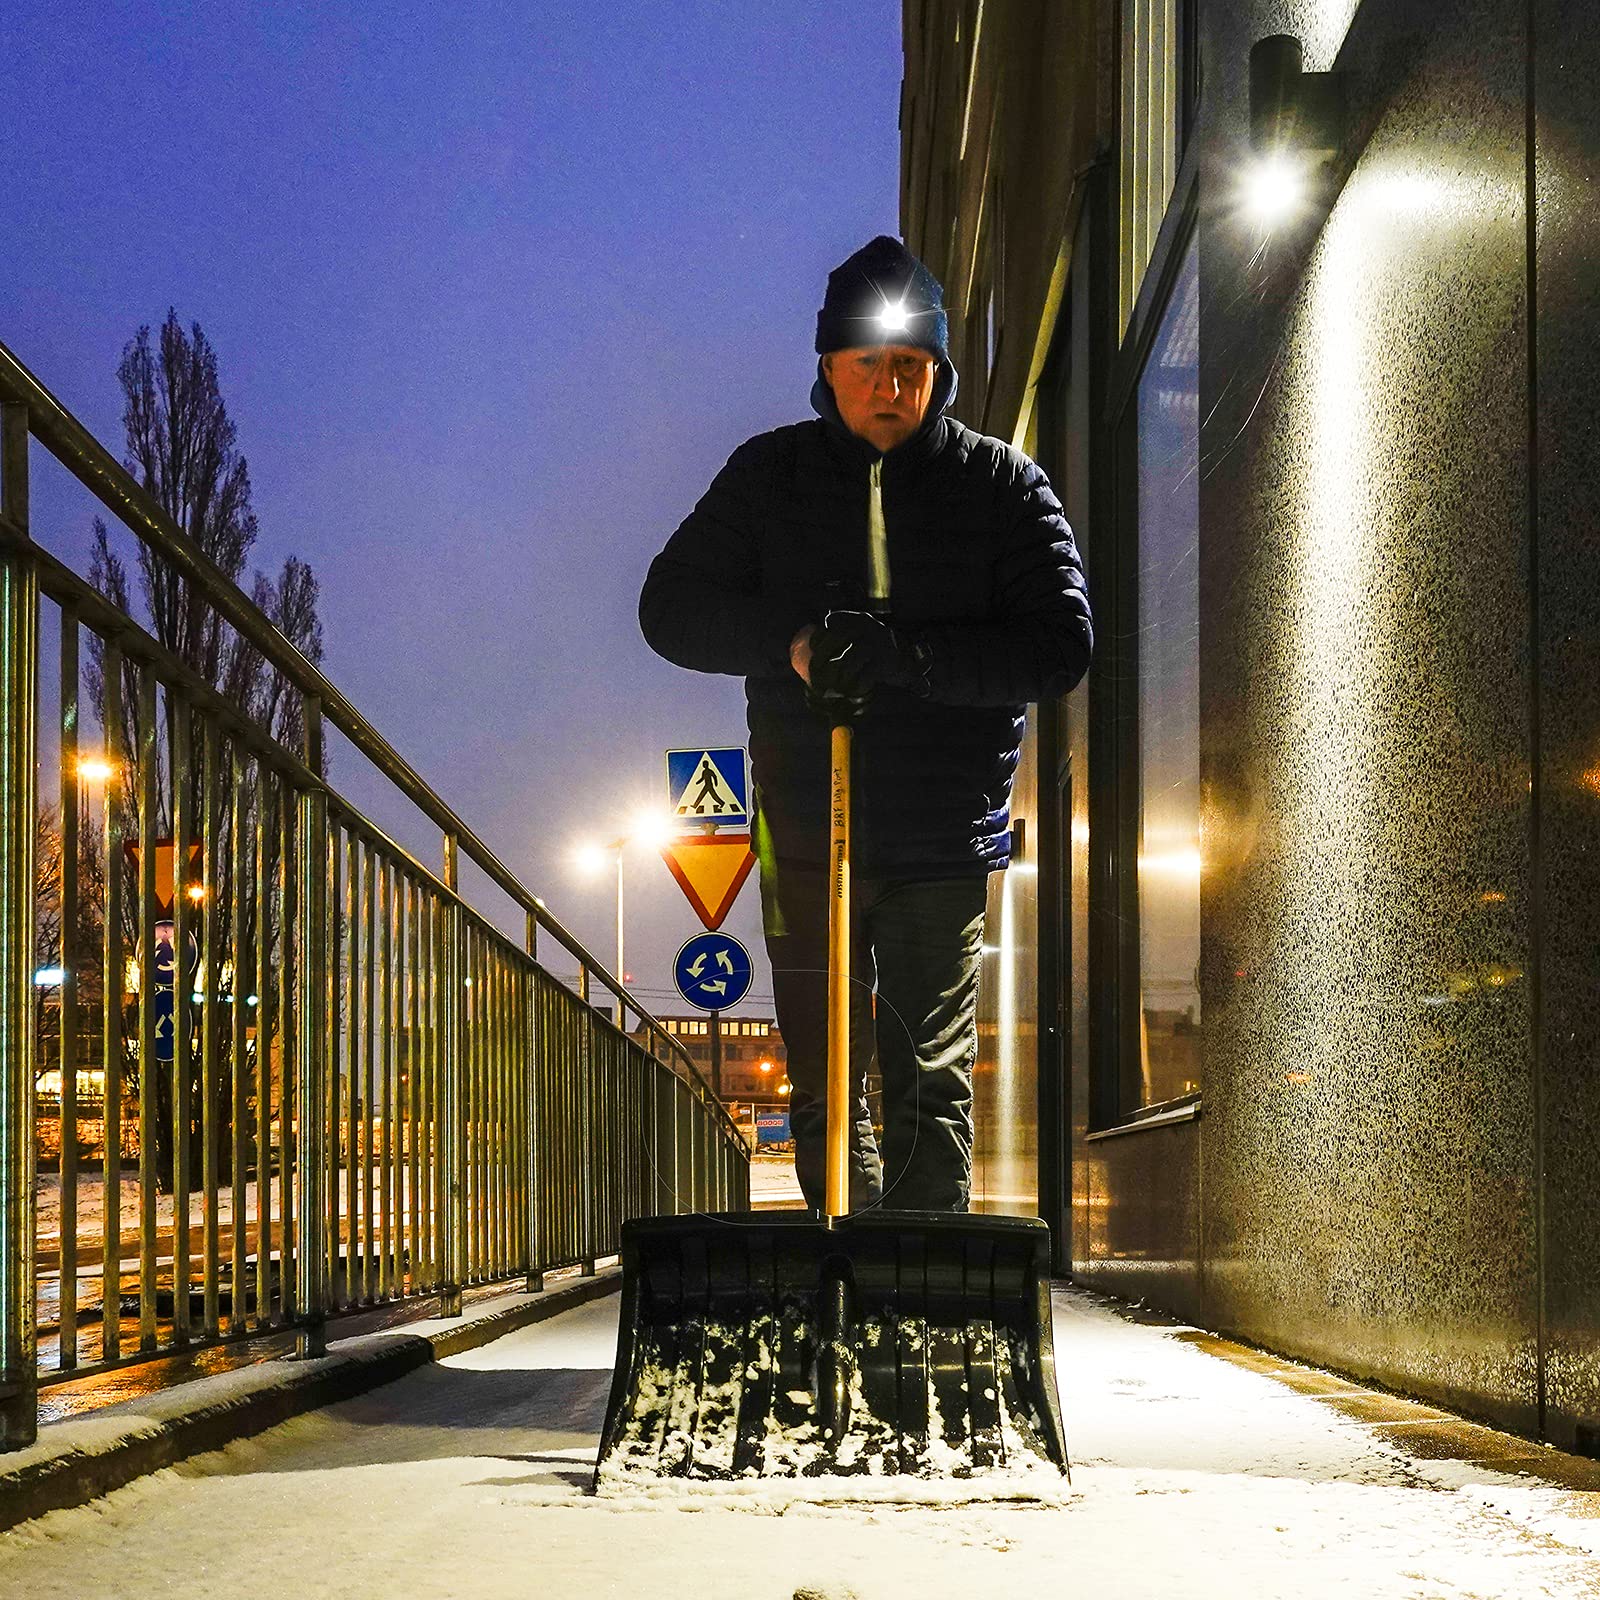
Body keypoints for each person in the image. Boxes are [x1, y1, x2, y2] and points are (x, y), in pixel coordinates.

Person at [639, 235, 1091, 1213]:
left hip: (941, 838)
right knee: (824, 1082)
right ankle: (843, 1257)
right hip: (805, 837)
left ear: (939, 372)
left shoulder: (1004, 490)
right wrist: (791, 642)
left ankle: (925, 1281)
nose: (888, 389)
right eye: (865, 368)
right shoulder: (769, 479)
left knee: (930, 1078)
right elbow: (668, 607)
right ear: (827, 370)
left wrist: (913, 658)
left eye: (909, 368)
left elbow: (1060, 644)